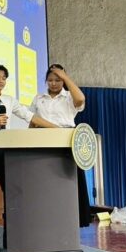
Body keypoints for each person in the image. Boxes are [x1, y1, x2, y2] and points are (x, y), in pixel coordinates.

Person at [0, 63, 58, 252]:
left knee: (11, 195)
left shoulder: (9, 100)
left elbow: (30, 116)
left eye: (4, 78)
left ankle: (11, 236)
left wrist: (57, 129)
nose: (1, 81)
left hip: (6, 148)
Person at [30, 64, 91, 228]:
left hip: (66, 139)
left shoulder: (70, 97)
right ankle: (48, 218)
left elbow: (81, 100)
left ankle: (73, 219)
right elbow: (32, 121)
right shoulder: (38, 98)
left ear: (64, 80)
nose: (54, 83)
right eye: (50, 80)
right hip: (43, 140)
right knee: (46, 180)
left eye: (58, 80)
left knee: (68, 179)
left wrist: (65, 76)